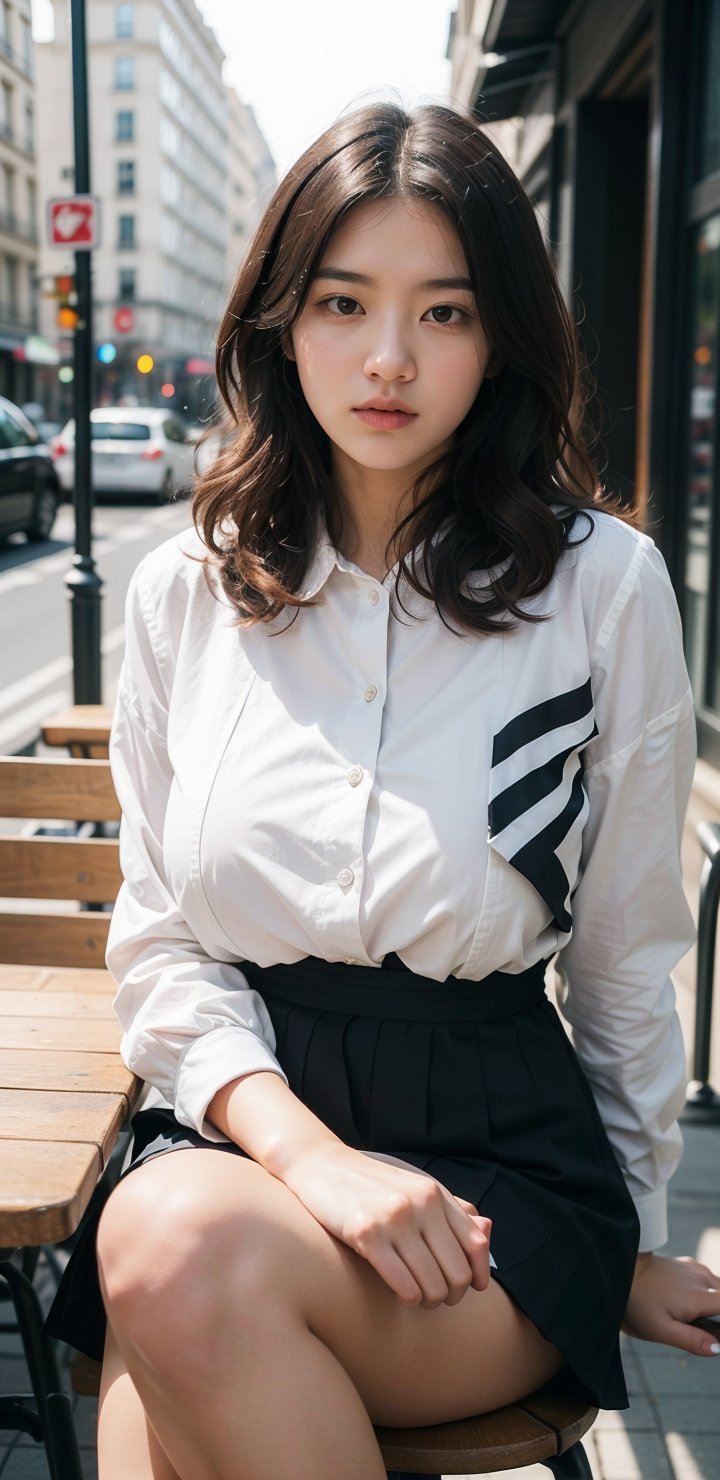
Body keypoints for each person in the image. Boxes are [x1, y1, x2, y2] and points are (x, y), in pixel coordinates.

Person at [45, 100, 720, 1480]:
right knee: (175, 1251)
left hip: (497, 1169)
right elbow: (166, 940)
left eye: (448, 312)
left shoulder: (599, 588)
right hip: (240, 1124)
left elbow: (625, 952)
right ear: (280, 325)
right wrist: (309, 1157)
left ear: (504, 338)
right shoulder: (188, 592)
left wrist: (637, 1236)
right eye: (344, 302)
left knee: (167, 1267)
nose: (391, 358)